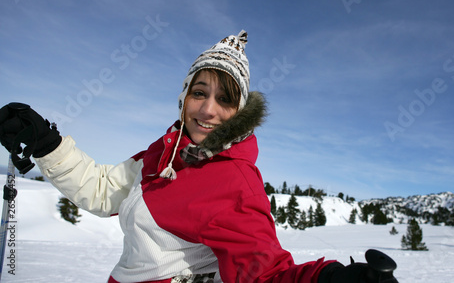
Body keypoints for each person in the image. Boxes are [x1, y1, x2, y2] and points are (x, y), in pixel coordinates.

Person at [0, 31, 398, 283]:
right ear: (184, 97)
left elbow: (264, 272)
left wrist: (327, 279)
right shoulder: (164, 152)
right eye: (199, 92)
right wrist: (46, 144)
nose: (208, 110)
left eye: (225, 100)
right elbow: (104, 191)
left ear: (240, 113)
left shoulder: (234, 181)